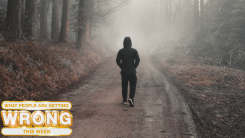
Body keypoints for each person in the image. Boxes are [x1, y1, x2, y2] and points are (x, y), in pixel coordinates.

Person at [116, 37, 140, 107]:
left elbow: (117, 61)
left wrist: (121, 66)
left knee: (124, 86)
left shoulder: (121, 51)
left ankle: (124, 100)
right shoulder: (134, 51)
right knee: (133, 85)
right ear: (130, 42)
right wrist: (134, 66)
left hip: (124, 72)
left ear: (123, 43)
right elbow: (138, 60)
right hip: (132, 72)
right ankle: (131, 98)